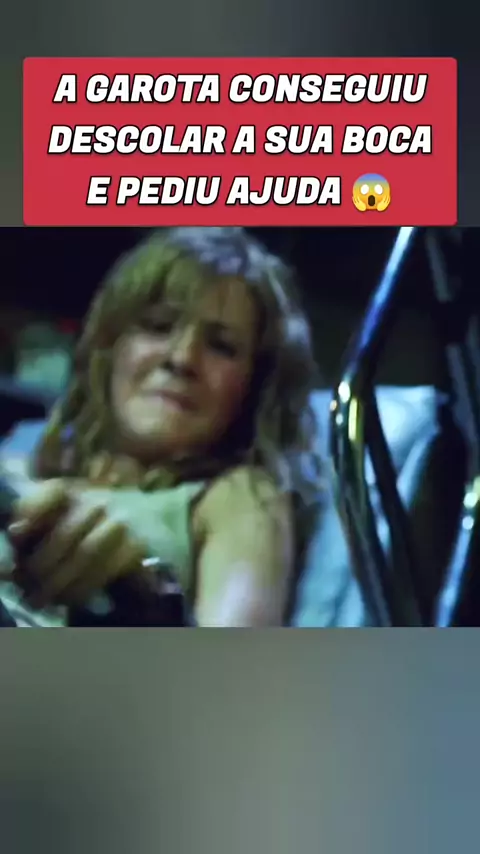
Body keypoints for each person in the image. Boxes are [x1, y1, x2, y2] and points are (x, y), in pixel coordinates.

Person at [0, 226, 322, 627]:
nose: (182, 358)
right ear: (111, 347)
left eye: (221, 346)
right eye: (157, 326)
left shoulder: (239, 495)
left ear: (255, 387)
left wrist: (144, 595)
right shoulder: (25, 454)